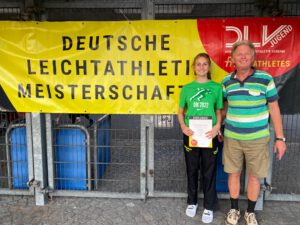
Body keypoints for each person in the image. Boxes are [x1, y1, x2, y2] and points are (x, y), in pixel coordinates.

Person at [221, 40, 287, 225]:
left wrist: (280, 138)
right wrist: (215, 125)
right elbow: (224, 108)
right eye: (239, 54)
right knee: (233, 173)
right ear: (232, 58)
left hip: (257, 139)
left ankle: (250, 212)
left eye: (246, 54)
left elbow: (274, 109)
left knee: (254, 176)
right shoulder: (226, 81)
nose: (242, 56)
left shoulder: (265, 79)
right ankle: (234, 210)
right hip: (232, 138)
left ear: (253, 57)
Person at [178, 53, 223, 223]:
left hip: (209, 134)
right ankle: (192, 202)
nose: (202, 67)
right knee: (192, 169)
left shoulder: (216, 88)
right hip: (191, 135)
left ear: (209, 67)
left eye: (205, 64)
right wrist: (183, 126)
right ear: (194, 68)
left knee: (209, 171)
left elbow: (219, 111)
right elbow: (181, 112)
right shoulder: (187, 88)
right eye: (198, 64)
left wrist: (217, 126)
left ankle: (209, 206)